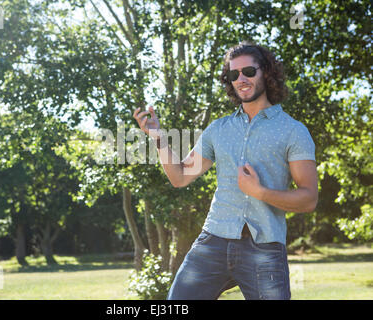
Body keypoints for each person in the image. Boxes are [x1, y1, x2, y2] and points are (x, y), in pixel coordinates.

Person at [132, 41, 318, 300]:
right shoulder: (218, 129)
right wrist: (158, 138)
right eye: (234, 74)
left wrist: (260, 192)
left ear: (266, 72)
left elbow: (309, 198)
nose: (241, 79)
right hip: (214, 241)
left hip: (264, 247)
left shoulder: (293, 131)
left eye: (249, 72)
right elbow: (180, 176)